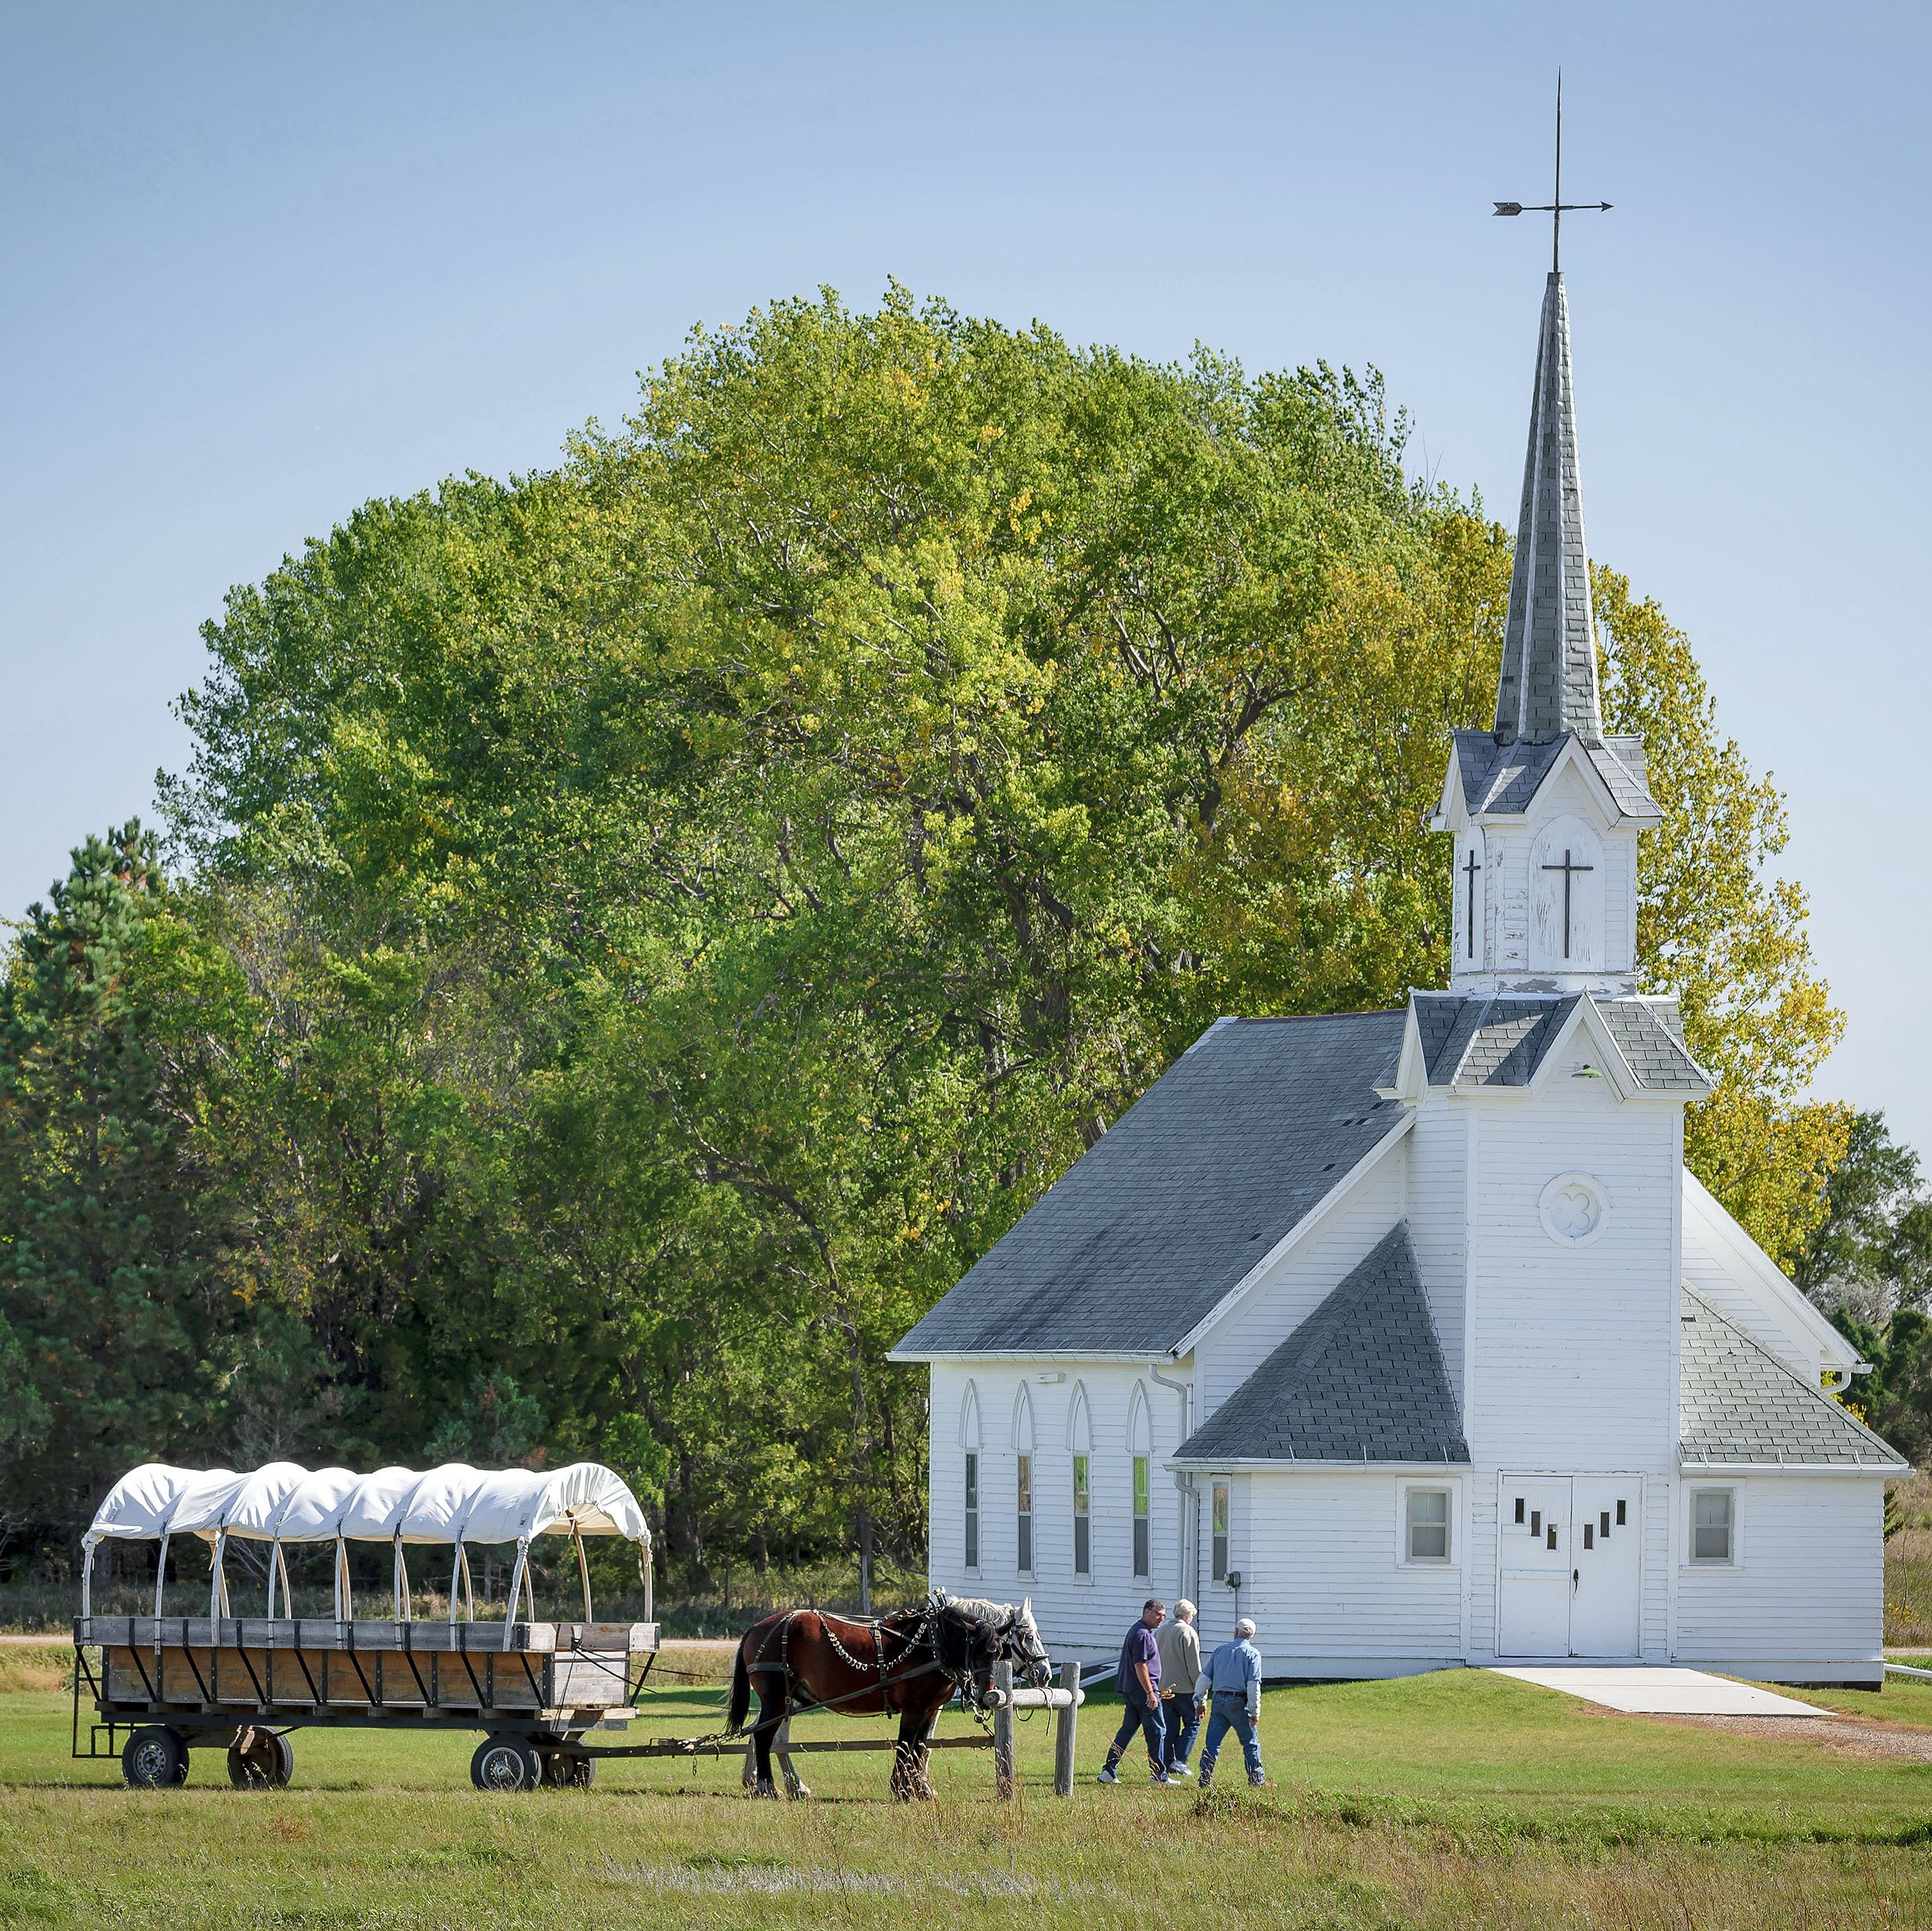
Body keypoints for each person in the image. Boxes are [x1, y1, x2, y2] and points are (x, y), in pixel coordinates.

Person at [1096, 1598, 1170, 1785]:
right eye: (1158, 1615)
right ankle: (1158, 1776)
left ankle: (1109, 1772)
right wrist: (1150, 1693)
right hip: (1143, 1692)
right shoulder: (1142, 1634)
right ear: (1146, 1612)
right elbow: (1141, 1665)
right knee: (1157, 1732)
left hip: (1133, 1691)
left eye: (1163, 1616)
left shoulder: (1137, 1630)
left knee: (1127, 1731)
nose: (1161, 1619)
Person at [1193, 1616, 1266, 1789]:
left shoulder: (1219, 1651)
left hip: (1219, 1700)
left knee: (1212, 1743)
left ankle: (1205, 1778)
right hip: (1239, 1702)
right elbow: (1253, 1685)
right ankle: (1256, 1778)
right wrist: (1255, 1711)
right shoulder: (1253, 1654)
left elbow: (1203, 1680)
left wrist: (1201, 1702)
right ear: (1252, 1636)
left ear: (1235, 1632)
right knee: (1250, 1742)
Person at [1154, 1598, 1202, 1778]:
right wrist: (1200, 1689)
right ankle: (1179, 1760)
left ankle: (1167, 1761)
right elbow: (1194, 1666)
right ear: (1188, 1615)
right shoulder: (1188, 1632)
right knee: (1193, 1722)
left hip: (1163, 1686)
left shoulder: (1161, 1631)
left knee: (1170, 1727)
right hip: (1184, 1688)